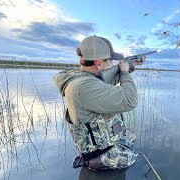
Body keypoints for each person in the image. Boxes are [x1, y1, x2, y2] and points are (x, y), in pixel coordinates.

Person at [53, 35, 145, 171]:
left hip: (100, 144)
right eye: (110, 60)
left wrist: (131, 65)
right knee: (133, 158)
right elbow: (130, 100)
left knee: (130, 137)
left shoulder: (82, 77)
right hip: (98, 155)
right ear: (99, 63)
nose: (113, 64)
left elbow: (106, 81)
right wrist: (125, 72)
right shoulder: (84, 87)